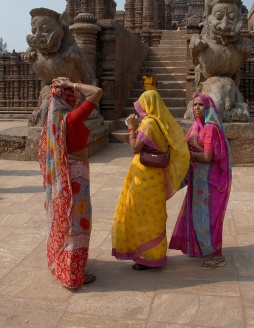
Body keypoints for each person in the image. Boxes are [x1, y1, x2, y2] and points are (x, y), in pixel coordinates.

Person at [111, 90, 190, 270]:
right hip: (156, 177)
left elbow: (135, 148)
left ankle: (145, 256)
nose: (139, 110)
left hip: (145, 177)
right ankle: (156, 254)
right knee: (154, 215)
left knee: (141, 214)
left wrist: (131, 127)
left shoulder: (148, 124)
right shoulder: (161, 123)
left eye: (141, 105)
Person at [38, 76, 103, 288]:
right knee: (78, 222)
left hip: (66, 175)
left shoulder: (55, 124)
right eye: (71, 94)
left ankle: (65, 265)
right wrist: (71, 84)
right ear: (66, 97)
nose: (75, 96)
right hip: (76, 176)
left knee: (68, 220)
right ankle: (73, 276)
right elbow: (96, 92)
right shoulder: (71, 119)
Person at [169, 93, 232, 269]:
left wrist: (190, 155)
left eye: (200, 105)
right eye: (194, 105)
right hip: (199, 180)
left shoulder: (211, 129)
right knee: (197, 217)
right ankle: (201, 247)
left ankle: (217, 255)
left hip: (210, 181)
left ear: (208, 108)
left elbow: (207, 156)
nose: (196, 108)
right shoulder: (196, 127)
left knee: (209, 218)